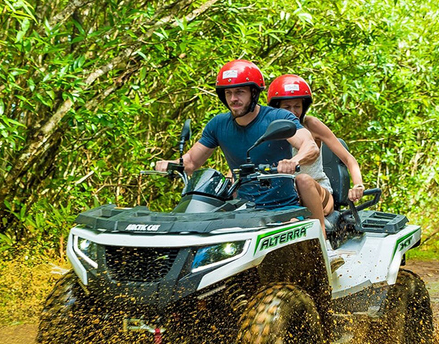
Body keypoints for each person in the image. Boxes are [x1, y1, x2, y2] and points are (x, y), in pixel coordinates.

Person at [155, 60, 330, 231]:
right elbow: (191, 161)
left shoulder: (277, 117)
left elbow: (309, 145)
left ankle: (323, 251)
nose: (233, 98)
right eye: (228, 93)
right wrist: (169, 164)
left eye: (239, 92)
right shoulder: (218, 125)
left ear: (253, 93)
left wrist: (295, 160)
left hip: (282, 210)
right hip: (242, 211)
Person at [267, 74, 365, 216]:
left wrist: (358, 185)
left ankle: (321, 236)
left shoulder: (311, 125)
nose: (293, 112)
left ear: (304, 106)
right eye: (287, 107)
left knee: (303, 181)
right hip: (284, 196)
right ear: (277, 108)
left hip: (319, 193)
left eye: (297, 106)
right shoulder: (268, 129)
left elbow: (349, 159)